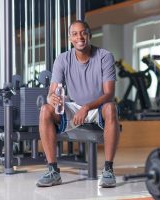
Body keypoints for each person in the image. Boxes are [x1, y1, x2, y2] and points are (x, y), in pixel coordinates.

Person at [36, 20, 120, 188]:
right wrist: (51, 98)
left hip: (98, 107)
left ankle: (109, 170)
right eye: (74, 34)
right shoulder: (62, 59)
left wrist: (87, 107)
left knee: (111, 108)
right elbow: (51, 92)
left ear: (89, 34)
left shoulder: (104, 56)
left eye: (83, 32)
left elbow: (109, 94)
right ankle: (53, 171)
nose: (79, 37)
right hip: (74, 107)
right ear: (70, 38)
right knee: (45, 110)